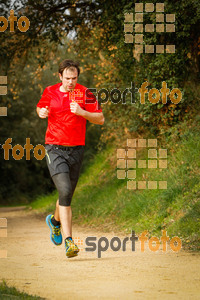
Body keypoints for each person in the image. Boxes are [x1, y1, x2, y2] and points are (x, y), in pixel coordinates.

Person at [36, 59, 104, 258]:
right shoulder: (50, 91)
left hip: (77, 150)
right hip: (54, 148)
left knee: (66, 195)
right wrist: (41, 112)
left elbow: (100, 119)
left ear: (77, 77)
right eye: (67, 78)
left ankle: (54, 222)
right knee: (64, 190)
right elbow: (40, 108)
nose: (71, 82)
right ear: (60, 77)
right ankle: (69, 242)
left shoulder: (84, 93)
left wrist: (82, 112)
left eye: (74, 78)